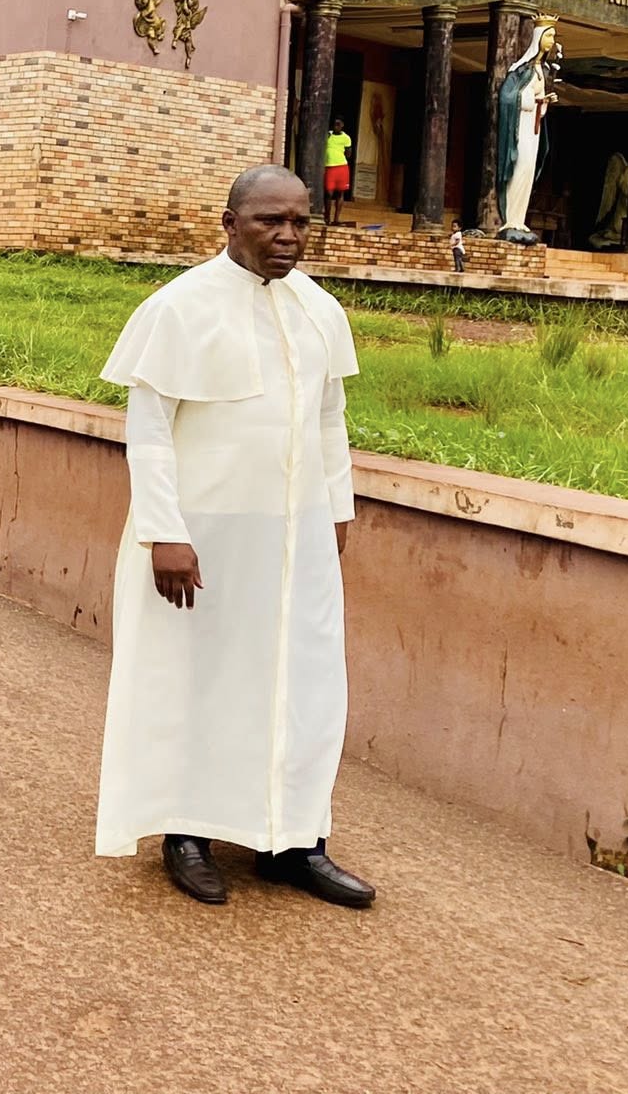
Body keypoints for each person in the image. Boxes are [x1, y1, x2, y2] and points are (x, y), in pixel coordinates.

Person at [95, 165, 373, 910]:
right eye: (269, 221)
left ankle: (293, 840)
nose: (287, 236)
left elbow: (330, 420)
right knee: (198, 678)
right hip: (203, 538)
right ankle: (186, 834)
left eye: (300, 222)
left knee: (299, 683)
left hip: (294, 538)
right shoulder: (178, 308)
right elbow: (149, 433)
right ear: (229, 223)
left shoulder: (320, 310)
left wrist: (337, 510)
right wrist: (164, 533)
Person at [323, 118, 353, 226]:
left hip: (341, 167)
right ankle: (327, 217)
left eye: (338, 124)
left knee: (340, 192)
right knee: (328, 193)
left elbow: (348, 153)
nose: (336, 126)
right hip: (329, 167)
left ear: (342, 125)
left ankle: (336, 219)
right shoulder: (328, 135)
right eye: (334, 124)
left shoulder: (346, 138)